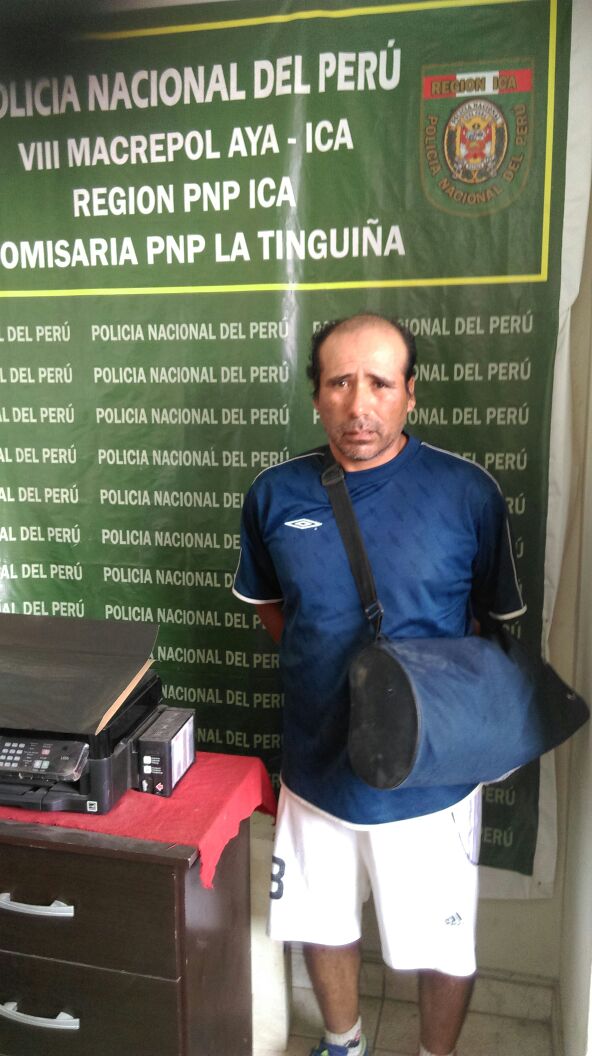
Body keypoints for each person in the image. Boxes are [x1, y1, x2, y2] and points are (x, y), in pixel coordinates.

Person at [233, 313, 525, 1056]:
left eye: (380, 383)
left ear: (410, 393)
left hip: (431, 782)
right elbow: (273, 608)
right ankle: (344, 1043)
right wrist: (333, 675)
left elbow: (493, 629)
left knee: (442, 945)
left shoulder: (467, 493)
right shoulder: (274, 495)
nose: (358, 404)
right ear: (315, 395)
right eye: (339, 383)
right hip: (316, 766)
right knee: (322, 921)